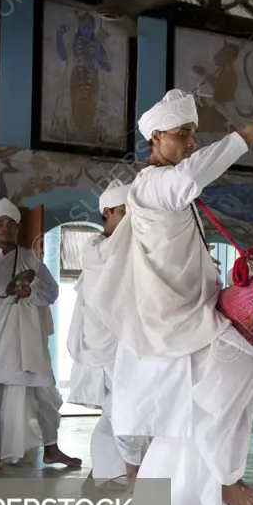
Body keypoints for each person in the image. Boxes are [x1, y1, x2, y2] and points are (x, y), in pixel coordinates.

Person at [83, 88, 253, 505]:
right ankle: (228, 481)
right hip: (177, 321)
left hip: (186, 313)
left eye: (194, 135)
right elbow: (191, 177)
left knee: (180, 423)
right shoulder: (156, 184)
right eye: (183, 134)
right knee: (245, 372)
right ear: (156, 137)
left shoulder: (163, 186)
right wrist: (244, 137)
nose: (191, 143)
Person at [0, 198, 82, 474]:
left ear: (17, 227)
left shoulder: (32, 257)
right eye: (0, 224)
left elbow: (52, 293)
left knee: (46, 398)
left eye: (11, 223)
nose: (6, 228)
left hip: (28, 341)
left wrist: (31, 293)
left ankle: (51, 449)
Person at [68, 180, 147, 489]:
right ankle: (129, 469)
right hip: (106, 340)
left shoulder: (132, 245)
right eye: (126, 212)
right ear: (108, 213)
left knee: (123, 408)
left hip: (133, 340)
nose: (132, 219)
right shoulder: (95, 247)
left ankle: (108, 470)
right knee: (120, 408)